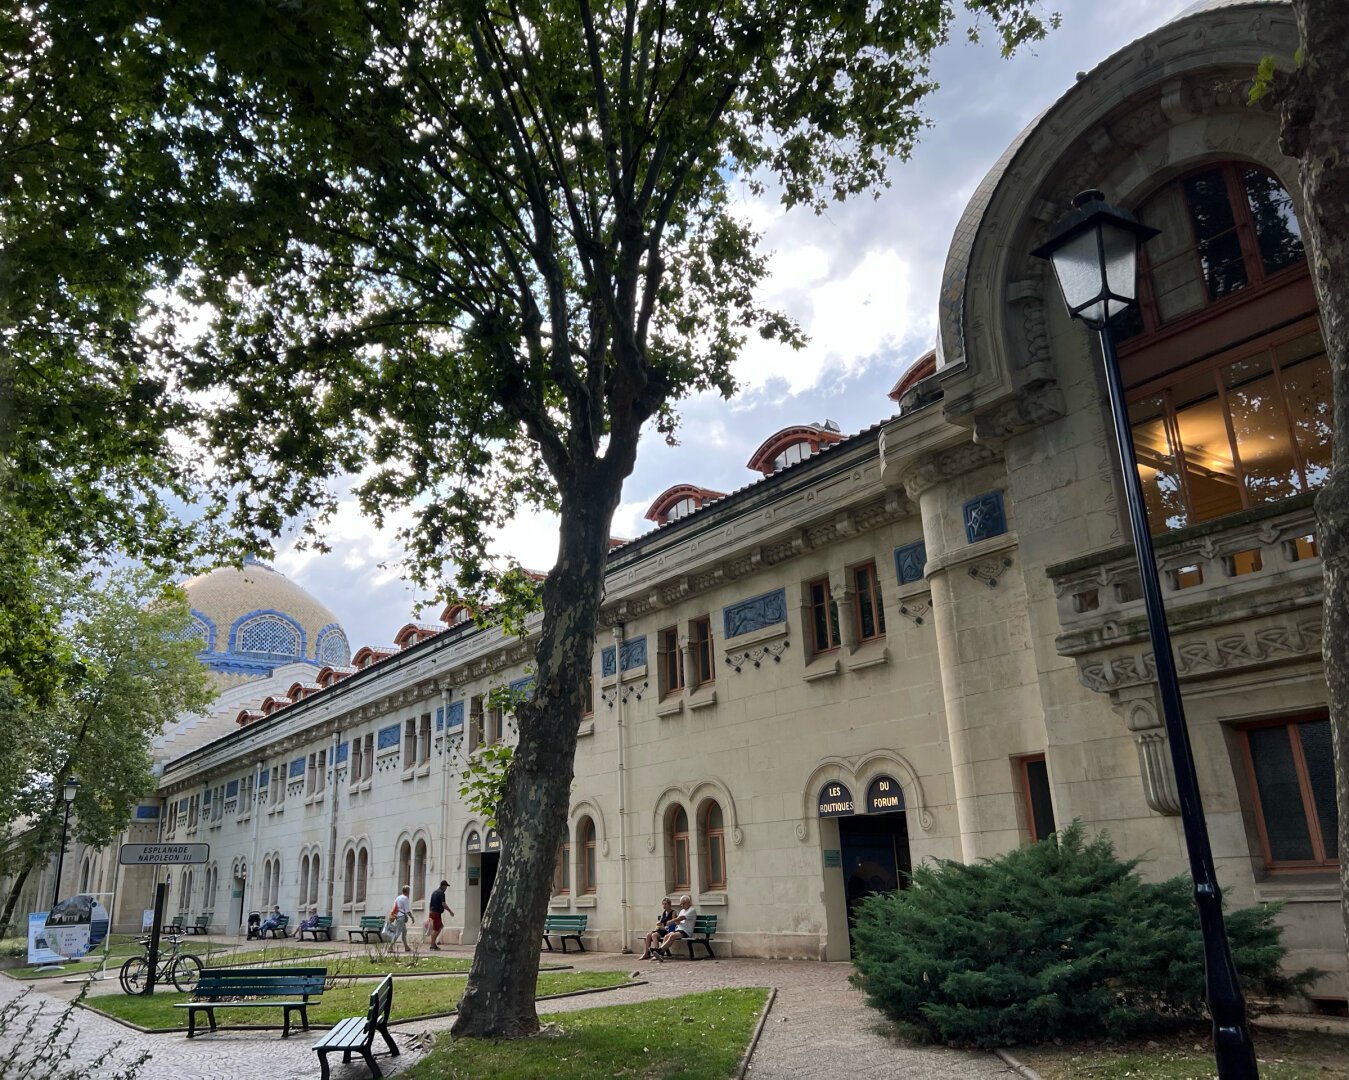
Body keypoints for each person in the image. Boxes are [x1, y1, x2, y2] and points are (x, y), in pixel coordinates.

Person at [655, 894, 697, 961]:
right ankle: (661, 954)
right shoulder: (682, 911)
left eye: (683, 904)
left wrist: (672, 921)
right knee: (667, 936)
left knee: (672, 936)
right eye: (681, 904)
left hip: (686, 931)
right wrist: (674, 922)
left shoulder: (692, 910)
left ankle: (659, 951)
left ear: (688, 902)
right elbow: (678, 922)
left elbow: (681, 918)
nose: (681, 905)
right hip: (679, 929)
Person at [426, 879, 454, 950]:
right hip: (436, 913)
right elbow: (443, 904)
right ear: (443, 886)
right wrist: (450, 911)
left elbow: (430, 903)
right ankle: (432, 945)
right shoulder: (441, 893)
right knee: (436, 929)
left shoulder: (434, 892)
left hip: (432, 912)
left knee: (440, 926)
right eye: (446, 886)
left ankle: (433, 943)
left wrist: (430, 911)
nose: (446, 888)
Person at [389, 885, 412, 952]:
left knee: (404, 931)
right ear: (407, 891)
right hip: (401, 917)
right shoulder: (405, 898)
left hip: (398, 916)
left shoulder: (398, 897)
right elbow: (407, 910)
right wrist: (412, 917)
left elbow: (394, 907)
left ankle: (406, 947)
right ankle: (390, 947)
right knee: (398, 932)